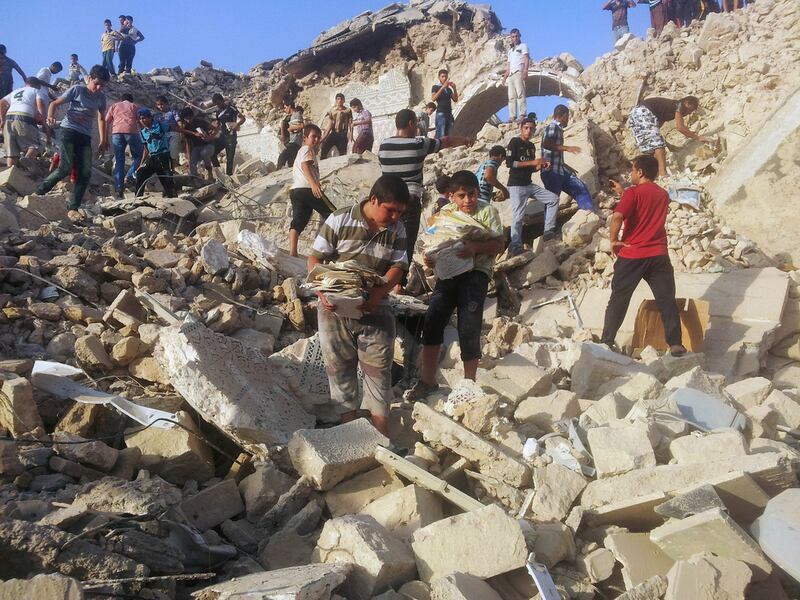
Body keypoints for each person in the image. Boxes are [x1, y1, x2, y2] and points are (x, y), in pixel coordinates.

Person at [309, 174, 411, 435]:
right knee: (339, 368)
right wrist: (323, 292)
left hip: (376, 306)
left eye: (400, 212)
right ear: (374, 199)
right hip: (334, 309)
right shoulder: (339, 219)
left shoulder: (397, 229)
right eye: (391, 210)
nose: (396, 217)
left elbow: (398, 267)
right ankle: (350, 433)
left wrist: (378, 295)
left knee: (379, 370)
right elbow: (315, 259)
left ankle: (380, 436)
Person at [408, 171, 504, 400]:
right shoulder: (446, 213)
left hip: (476, 274)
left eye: (471, 194)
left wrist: (474, 247)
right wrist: (429, 258)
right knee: (432, 322)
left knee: (469, 327)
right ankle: (427, 381)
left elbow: (499, 243)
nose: (467, 200)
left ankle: (468, 385)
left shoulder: (488, 212)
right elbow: (433, 239)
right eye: (462, 196)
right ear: (452, 196)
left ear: (478, 192)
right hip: (448, 274)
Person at [378, 108, 474, 290]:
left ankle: (382, 280)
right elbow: (445, 141)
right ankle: (398, 284)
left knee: (386, 241)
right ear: (411, 124)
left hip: (387, 203)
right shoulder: (418, 143)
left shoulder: (384, 146)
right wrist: (465, 140)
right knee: (405, 244)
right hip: (409, 202)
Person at [601, 155, 686, 357]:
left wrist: (613, 241)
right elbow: (646, 208)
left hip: (633, 254)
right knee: (666, 300)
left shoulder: (632, 193)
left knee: (619, 298)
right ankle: (675, 343)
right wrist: (625, 193)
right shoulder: (663, 194)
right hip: (658, 254)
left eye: (632, 170)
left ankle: (607, 340)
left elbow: (618, 216)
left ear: (640, 172)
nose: (630, 173)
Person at [36, 65, 110, 217]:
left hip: (84, 136)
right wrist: (50, 115)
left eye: (102, 86)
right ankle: (39, 192)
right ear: (89, 78)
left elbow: (101, 118)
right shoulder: (78, 90)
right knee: (66, 167)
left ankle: (73, 206)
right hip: (68, 131)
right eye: (97, 84)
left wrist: (103, 140)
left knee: (85, 172)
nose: (98, 88)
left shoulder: (101, 97)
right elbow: (54, 103)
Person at [506, 117, 559, 253]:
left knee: (553, 199)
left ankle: (548, 231)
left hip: (528, 184)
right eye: (526, 128)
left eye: (531, 128)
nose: (529, 131)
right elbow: (510, 163)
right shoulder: (514, 142)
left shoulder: (531, 146)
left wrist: (542, 166)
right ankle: (516, 246)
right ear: (521, 128)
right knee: (518, 216)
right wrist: (533, 163)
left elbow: (531, 168)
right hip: (516, 185)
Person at [628, 95, 709, 177]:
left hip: (635, 115)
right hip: (643, 112)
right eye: (692, 108)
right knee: (658, 145)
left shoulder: (666, 110)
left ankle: (646, 175)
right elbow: (680, 127)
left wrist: (667, 145)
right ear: (687, 103)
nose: (691, 112)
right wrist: (698, 138)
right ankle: (663, 175)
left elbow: (656, 131)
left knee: (650, 148)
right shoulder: (679, 105)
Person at [289, 123, 336, 257]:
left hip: (296, 190)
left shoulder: (301, 151)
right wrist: (314, 184)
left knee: (298, 222)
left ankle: (293, 252)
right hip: (307, 189)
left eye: (318, 137)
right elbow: (305, 166)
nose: (316, 140)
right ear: (305, 138)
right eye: (313, 136)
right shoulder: (307, 149)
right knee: (334, 214)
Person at [541, 105, 594, 212]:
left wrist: (565, 166)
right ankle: (549, 229)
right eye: (568, 116)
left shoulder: (558, 129)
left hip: (560, 170)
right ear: (564, 115)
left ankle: (588, 213)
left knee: (580, 187)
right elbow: (546, 144)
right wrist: (567, 148)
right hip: (551, 171)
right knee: (552, 201)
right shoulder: (553, 127)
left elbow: (552, 152)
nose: (568, 119)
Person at [0, 77, 46, 166]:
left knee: (11, 152)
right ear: (35, 85)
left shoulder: (15, 91)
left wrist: (2, 120)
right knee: (36, 145)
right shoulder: (35, 91)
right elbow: (40, 103)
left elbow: (1, 102)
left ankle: (11, 175)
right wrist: (42, 118)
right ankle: (27, 160)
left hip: (8, 119)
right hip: (25, 118)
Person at [105, 93, 142, 198]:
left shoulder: (114, 106)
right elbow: (140, 121)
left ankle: (118, 188)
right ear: (131, 100)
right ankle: (129, 176)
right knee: (139, 156)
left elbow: (106, 121)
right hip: (131, 131)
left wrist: (105, 138)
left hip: (116, 133)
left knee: (119, 161)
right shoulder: (134, 106)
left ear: (121, 99)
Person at [134, 108, 176, 198]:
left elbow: (175, 129)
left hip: (163, 156)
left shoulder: (160, 125)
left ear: (150, 117)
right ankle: (138, 199)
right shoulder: (142, 132)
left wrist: (192, 133)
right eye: (140, 119)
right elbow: (146, 150)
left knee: (167, 179)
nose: (142, 121)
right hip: (152, 158)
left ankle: (174, 199)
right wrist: (141, 165)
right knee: (140, 174)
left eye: (144, 118)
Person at [211, 93, 245, 176]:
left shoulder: (231, 108)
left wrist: (237, 124)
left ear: (222, 100)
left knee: (229, 158)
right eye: (216, 105)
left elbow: (243, 118)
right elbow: (218, 125)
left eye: (218, 103)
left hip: (231, 136)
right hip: (222, 137)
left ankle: (228, 176)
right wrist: (212, 132)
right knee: (212, 154)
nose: (217, 106)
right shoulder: (218, 112)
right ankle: (220, 174)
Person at [178, 107, 215, 182]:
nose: (188, 120)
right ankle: (195, 179)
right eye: (186, 118)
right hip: (196, 147)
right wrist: (188, 157)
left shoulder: (200, 122)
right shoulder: (186, 127)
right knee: (192, 162)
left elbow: (214, 128)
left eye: (189, 118)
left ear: (192, 116)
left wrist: (209, 137)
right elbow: (187, 143)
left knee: (204, 153)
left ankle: (210, 173)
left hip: (208, 145)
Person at [501, 29, 529, 124]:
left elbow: (526, 58)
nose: (515, 38)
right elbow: (509, 66)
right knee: (511, 96)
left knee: (520, 94)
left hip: (519, 72)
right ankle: (512, 116)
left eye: (516, 36)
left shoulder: (523, 46)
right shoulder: (510, 51)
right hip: (511, 75)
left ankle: (522, 114)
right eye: (513, 36)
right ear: (511, 38)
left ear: (519, 36)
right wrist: (505, 77)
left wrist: (525, 70)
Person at [153, 95, 183, 168]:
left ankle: (174, 168)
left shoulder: (173, 112)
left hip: (174, 134)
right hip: (163, 136)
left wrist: (182, 133)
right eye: (158, 105)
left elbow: (179, 123)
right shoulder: (157, 116)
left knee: (173, 152)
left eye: (162, 104)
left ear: (166, 103)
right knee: (164, 153)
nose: (160, 106)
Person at [321, 93, 352, 158]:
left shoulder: (348, 110)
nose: (340, 100)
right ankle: (322, 165)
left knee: (342, 153)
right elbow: (330, 124)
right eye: (338, 99)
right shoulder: (332, 111)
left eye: (341, 99)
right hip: (334, 133)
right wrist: (323, 138)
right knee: (324, 148)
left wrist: (351, 134)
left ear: (344, 100)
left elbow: (350, 123)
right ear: (336, 100)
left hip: (342, 134)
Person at [277, 98, 304, 169]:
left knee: (282, 156)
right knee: (291, 162)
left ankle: (277, 171)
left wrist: (290, 129)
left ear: (289, 106)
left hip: (295, 142)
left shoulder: (297, 114)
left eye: (285, 108)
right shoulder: (292, 116)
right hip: (294, 142)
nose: (285, 110)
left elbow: (301, 126)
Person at [431, 69, 458, 139]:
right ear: (439, 78)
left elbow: (455, 99)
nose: (444, 78)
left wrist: (454, 88)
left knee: (450, 133)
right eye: (442, 76)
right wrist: (442, 87)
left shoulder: (449, 89)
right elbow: (433, 98)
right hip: (441, 113)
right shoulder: (435, 87)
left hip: (449, 113)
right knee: (441, 133)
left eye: (446, 77)